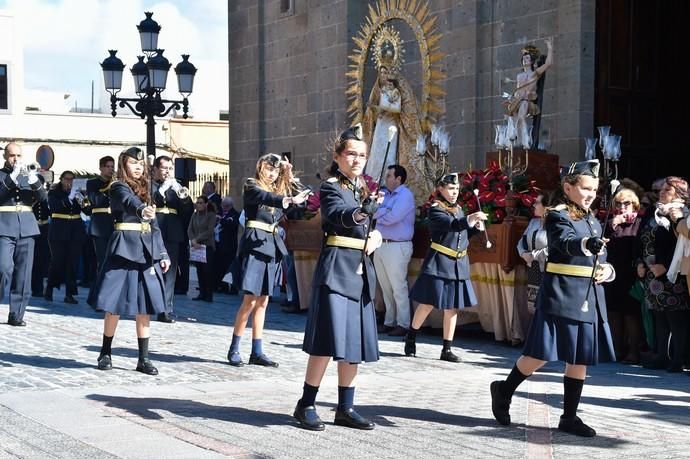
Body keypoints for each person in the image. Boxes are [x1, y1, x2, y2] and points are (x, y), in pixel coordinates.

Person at [490, 159, 616, 438]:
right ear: (568, 187)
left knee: (579, 356)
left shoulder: (591, 218)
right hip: (561, 292)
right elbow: (563, 242)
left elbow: (602, 257)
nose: (591, 194)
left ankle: (569, 417)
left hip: (588, 294)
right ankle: (504, 389)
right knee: (540, 354)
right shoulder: (558, 215)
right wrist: (586, 245)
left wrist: (607, 270)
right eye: (585, 188)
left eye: (594, 189)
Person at [294, 124, 384, 431]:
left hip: (360, 270)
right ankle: (306, 403)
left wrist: (375, 236)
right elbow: (336, 216)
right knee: (325, 339)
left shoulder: (363, 189)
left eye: (362, 155)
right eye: (351, 154)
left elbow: (366, 229)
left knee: (354, 343)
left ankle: (345, 407)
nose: (357, 160)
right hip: (336, 269)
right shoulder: (331, 186)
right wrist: (361, 214)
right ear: (338, 156)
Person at [87, 147, 170, 375]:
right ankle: (105, 351)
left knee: (145, 305)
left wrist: (162, 253)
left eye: (141, 164)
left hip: (146, 249)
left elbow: (154, 226)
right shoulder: (117, 186)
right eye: (133, 163)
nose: (138, 167)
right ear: (124, 165)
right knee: (113, 303)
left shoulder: (148, 188)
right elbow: (128, 201)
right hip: (123, 247)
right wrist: (142, 209)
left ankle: (143, 358)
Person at [226, 153, 309, 367]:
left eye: (275, 170)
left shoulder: (278, 190)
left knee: (263, 301)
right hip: (255, 245)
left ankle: (257, 351)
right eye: (268, 169)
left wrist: (289, 175)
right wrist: (287, 199)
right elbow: (267, 198)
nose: (271, 174)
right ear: (260, 168)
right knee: (250, 300)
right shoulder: (251, 185)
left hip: (271, 246)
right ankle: (234, 348)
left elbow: (300, 205)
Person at [404, 173, 488, 362]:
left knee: (452, 308)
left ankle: (446, 349)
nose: (454, 192)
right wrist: (470, 218)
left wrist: (475, 228)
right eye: (451, 189)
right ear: (440, 189)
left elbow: (462, 234)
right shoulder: (435, 210)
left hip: (458, 264)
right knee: (427, 303)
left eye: (457, 189)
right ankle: (411, 336)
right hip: (439, 262)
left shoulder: (458, 209)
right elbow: (452, 226)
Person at [638, 177, 689, 372]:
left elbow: (680, 243)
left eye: (667, 189)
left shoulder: (681, 213)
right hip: (651, 273)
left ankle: (678, 359)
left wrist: (665, 265)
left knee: (675, 318)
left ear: (679, 193)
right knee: (659, 316)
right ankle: (661, 355)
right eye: (661, 189)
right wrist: (639, 262)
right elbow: (640, 237)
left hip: (672, 272)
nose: (661, 191)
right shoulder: (654, 210)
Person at [362, 64, 426, 203]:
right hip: (380, 125)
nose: (385, 77)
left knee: (388, 153)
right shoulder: (379, 90)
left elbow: (396, 109)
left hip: (391, 126)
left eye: (387, 74)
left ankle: (386, 183)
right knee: (376, 153)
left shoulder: (396, 92)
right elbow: (373, 111)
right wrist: (374, 109)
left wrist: (380, 107)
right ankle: (372, 182)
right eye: (382, 73)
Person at [0, 142, 47, 326]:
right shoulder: (2, 175)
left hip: (27, 227)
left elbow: (43, 199)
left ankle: (16, 315)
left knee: (24, 274)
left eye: (19, 155)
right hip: (4, 226)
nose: (16, 159)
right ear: (5, 156)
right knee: (3, 268)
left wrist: (34, 179)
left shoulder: (29, 176)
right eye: (12, 156)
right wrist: (12, 177)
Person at [372, 164, 415, 336]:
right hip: (380, 244)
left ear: (399, 178)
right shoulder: (385, 195)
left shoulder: (405, 195)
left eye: (389, 175)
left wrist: (380, 213)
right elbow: (371, 212)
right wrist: (382, 211)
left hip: (398, 246)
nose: (386, 178)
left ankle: (404, 323)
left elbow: (393, 218)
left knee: (398, 286)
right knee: (385, 287)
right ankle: (390, 321)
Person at [604, 188, 644, 364]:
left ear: (634, 204)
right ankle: (616, 350)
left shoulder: (639, 222)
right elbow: (603, 241)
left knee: (631, 315)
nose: (622, 207)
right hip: (613, 273)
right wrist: (613, 223)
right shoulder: (611, 222)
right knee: (614, 313)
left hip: (631, 273)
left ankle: (633, 352)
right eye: (619, 203)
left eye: (626, 203)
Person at [152, 155, 193, 321]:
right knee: (152, 269)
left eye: (170, 168)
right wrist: (161, 191)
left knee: (170, 272)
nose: (168, 172)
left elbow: (188, 211)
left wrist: (182, 196)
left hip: (173, 231)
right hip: (155, 228)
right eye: (164, 168)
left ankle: (165, 310)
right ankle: (149, 304)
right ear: (155, 169)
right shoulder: (150, 186)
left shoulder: (176, 187)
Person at [44, 170, 87, 304]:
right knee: (57, 261)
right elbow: (55, 207)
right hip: (59, 229)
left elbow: (87, 210)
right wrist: (69, 198)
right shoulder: (54, 192)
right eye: (67, 179)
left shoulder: (77, 193)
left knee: (72, 263)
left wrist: (83, 199)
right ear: (61, 179)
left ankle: (70, 294)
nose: (69, 182)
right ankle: (50, 288)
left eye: (72, 179)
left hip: (75, 229)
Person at [504, 38, 553, 148]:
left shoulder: (534, 73)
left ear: (531, 61)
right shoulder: (519, 76)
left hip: (527, 101)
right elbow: (518, 90)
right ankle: (517, 142)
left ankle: (524, 141)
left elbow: (548, 64)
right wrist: (513, 98)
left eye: (527, 58)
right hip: (517, 101)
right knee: (515, 117)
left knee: (522, 114)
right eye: (524, 59)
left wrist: (550, 47)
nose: (525, 60)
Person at [517, 193, 549, 312]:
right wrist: (523, 253)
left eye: (537, 203)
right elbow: (521, 241)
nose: (534, 205)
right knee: (533, 308)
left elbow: (553, 247)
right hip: (533, 270)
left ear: (546, 206)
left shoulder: (554, 224)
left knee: (545, 309)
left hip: (547, 270)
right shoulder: (533, 222)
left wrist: (533, 255)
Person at [86, 156, 115, 280]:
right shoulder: (92, 183)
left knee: (115, 258)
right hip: (100, 224)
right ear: (101, 168)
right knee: (102, 260)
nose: (110, 169)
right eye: (107, 166)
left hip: (114, 223)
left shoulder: (117, 182)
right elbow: (95, 200)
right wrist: (110, 186)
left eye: (112, 167)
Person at [188, 195, 217, 302]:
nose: (198, 204)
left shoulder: (211, 215)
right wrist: (192, 240)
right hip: (196, 247)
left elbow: (210, 231)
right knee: (199, 270)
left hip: (207, 246)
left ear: (206, 204)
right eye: (197, 202)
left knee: (207, 271)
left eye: (201, 203)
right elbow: (190, 229)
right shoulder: (194, 215)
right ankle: (202, 293)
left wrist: (197, 239)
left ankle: (209, 294)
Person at [214, 196, 240, 293]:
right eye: (223, 206)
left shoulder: (234, 214)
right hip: (219, 244)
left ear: (230, 206)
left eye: (227, 206)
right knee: (220, 266)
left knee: (230, 267)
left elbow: (232, 225)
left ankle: (233, 288)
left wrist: (221, 220)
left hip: (229, 245)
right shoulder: (219, 213)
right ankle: (222, 286)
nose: (224, 208)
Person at [31, 186, 50, 297]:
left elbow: (50, 211)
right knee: (32, 260)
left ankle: (38, 288)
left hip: (44, 228)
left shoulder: (46, 196)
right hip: (32, 226)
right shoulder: (30, 196)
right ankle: (34, 287)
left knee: (42, 260)